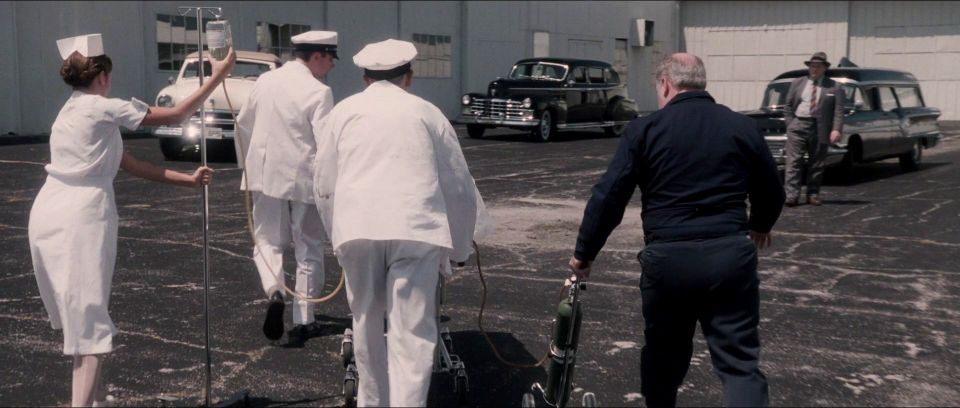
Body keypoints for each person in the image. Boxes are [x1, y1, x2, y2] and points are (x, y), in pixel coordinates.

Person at [28, 33, 234, 407]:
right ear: (102, 76)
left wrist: (187, 180)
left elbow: (131, 164)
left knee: (81, 320)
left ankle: (90, 400)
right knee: (89, 322)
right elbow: (175, 115)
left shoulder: (70, 113)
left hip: (49, 210)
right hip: (81, 214)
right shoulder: (100, 107)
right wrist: (218, 76)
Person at [568, 53, 785, 407]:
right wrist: (760, 224)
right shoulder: (741, 126)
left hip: (669, 261)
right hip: (729, 256)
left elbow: (609, 197)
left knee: (663, 360)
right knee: (739, 366)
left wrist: (584, 253)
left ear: (666, 83)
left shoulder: (645, 130)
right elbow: (773, 189)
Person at [312, 39, 484, 407]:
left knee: (366, 322)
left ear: (364, 77)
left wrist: (336, 235)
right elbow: (457, 186)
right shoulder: (427, 113)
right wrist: (459, 247)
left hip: (357, 226)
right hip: (415, 228)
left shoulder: (343, 113)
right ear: (409, 76)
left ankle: (371, 402)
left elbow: (323, 183)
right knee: (413, 332)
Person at [234, 31, 338, 343]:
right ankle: (304, 318)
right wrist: (334, 183)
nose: (332, 65)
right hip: (303, 176)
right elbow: (327, 144)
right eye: (330, 58)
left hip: (264, 173)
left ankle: (275, 291)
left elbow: (243, 121)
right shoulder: (319, 92)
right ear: (316, 56)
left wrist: (248, 164)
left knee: (267, 240)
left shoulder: (265, 81)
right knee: (308, 245)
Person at [782, 51, 844, 206]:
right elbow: (788, 106)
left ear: (824, 68)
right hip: (798, 124)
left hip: (820, 127)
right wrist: (791, 124)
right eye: (812, 66)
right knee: (793, 161)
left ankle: (813, 193)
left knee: (816, 162)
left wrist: (836, 129)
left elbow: (838, 110)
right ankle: (791, 195)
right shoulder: (798, 82)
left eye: (818, 66)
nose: (814, 69)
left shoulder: (834, 87)